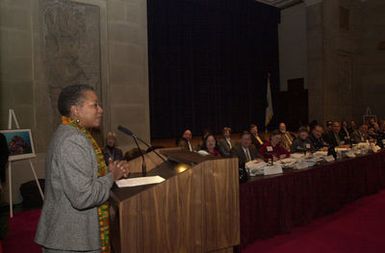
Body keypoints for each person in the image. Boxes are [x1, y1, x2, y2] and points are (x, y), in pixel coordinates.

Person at [35, 84, 129, 253]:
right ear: (76, 110)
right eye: (94, 105)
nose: (100, 110)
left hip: (72, 238)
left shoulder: (74, 134)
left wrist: (109, 172)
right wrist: (111, 177)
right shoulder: (72, 140)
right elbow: (83, 197)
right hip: (70, 241)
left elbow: (83, 179)